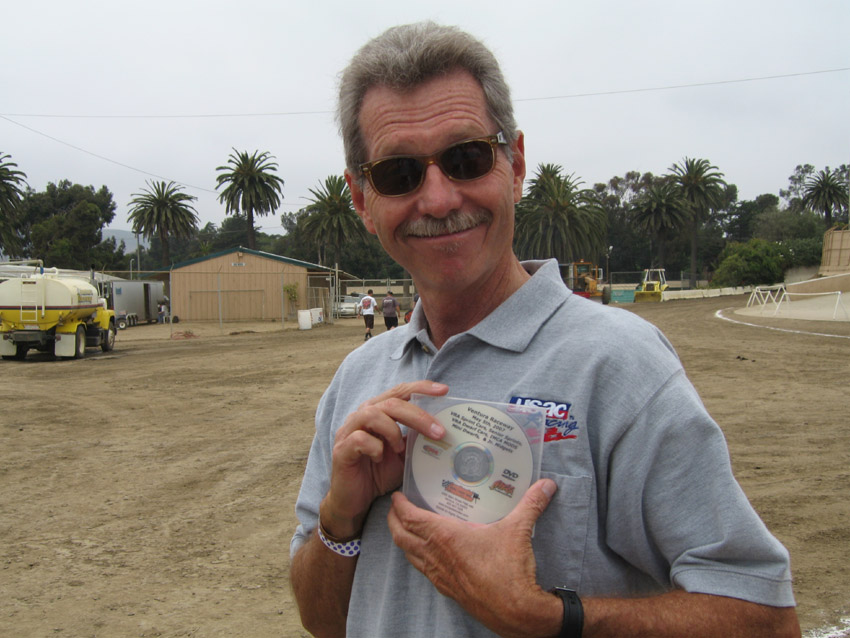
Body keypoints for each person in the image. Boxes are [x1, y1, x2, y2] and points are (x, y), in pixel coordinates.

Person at [290, 21, 800, 638]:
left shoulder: (620, 364)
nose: (439, 199)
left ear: (515, 164)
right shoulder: (357, 380)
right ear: (362, 200)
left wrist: (548, 618)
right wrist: (339, 521)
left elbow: (768, 620)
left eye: (467, 158)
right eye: (399, 173)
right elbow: (323, 622)